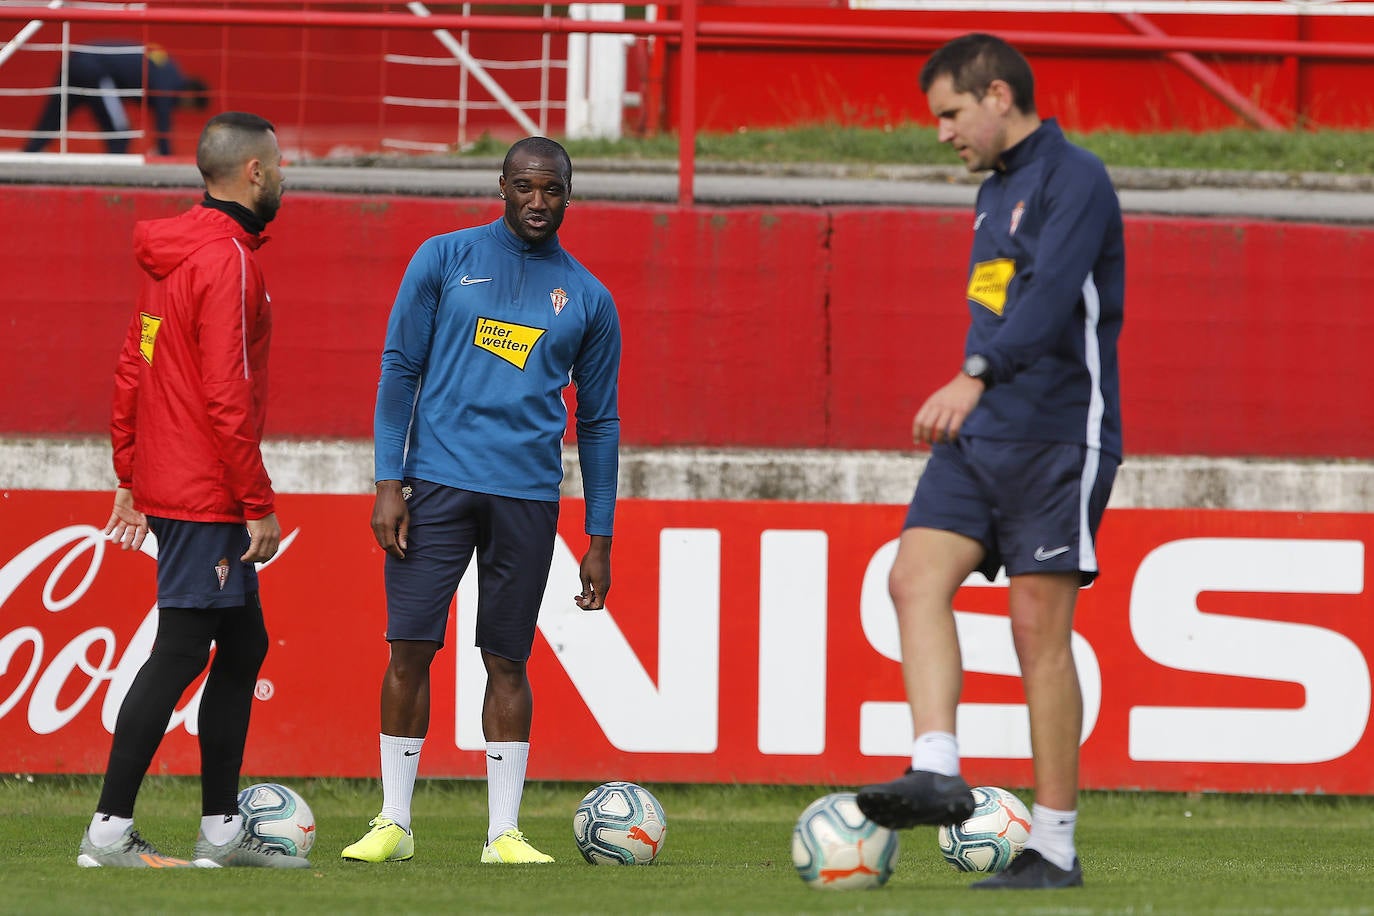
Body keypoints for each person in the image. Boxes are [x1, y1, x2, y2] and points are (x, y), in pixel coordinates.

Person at [855, 33, 1125, 891]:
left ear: (999, 95)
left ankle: (1053, 846)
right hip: (983, 438)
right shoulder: (992, 193)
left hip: (1056, 435)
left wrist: (974, 375)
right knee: (912, 578)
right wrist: (979, 389)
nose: (943, 132)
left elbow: (1047, 305)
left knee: (1038, 636)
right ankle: (936, 766)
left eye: (951, 113)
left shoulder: (1075, 177)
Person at [342, 136, 622, 866]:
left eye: (552, 189)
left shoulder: (589, 298)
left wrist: (600, 535)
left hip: (527, 497)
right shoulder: (443, 258)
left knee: (508, 659)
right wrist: (386, 482)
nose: (538, 201)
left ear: (570, 194)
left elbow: (598, 421)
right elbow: (399, 368)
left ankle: (504, 834)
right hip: (433, 484)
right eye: (525, 186)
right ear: (501, 185)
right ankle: (394, 824)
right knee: (409, 649)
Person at [78, 111, 305, 869]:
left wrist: (127, 474)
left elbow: (133, 364)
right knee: (180, 650)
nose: (284, 176)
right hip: (208, 490)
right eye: (279, 165)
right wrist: (257, 500)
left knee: (243, 645)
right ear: (253, 173)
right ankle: (109, 831)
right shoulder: (230, 262)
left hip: (171, 480)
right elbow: (226, 391)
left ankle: (219, 832)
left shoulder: (168, 259)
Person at [23, 40, 208, 155]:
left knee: (54, 116)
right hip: (94, 69)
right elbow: (162, 118)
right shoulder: (169, 79)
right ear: (190, 95)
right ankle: (116, 178)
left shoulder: (166, 69)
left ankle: (30, 153)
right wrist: (166, 156)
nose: (184, 109)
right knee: (120, 133)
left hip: (79, 60)